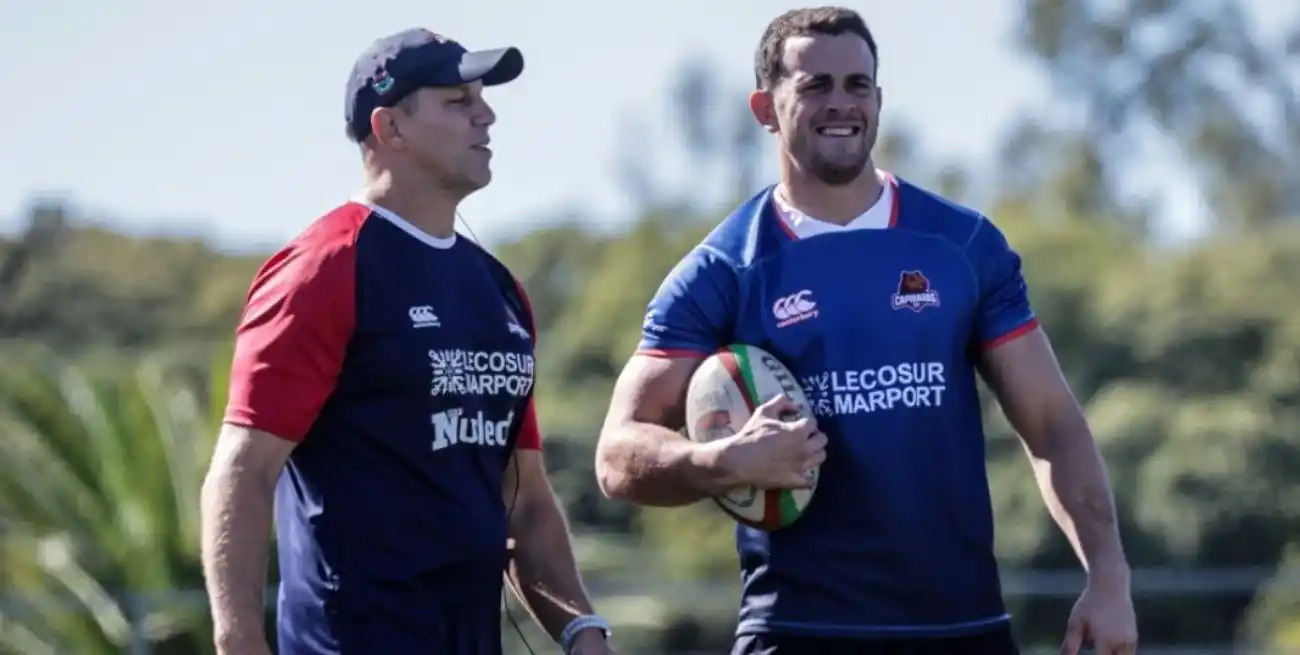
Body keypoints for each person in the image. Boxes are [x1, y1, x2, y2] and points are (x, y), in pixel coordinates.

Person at [594, 7, 1137, 655]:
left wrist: (1107, 573)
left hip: (961, 628)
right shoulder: (724, 271)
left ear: (879, 100)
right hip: (796, 631)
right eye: (815, 85)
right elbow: (617, 454)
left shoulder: (961, 245)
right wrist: (717, 463)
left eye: (857, 85)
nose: (841, 103)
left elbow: (1053, 424)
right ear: (765, 107)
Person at [199, 27, 612, 655]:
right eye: (457, 101)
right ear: (390, 128)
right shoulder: (323, 268)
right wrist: (238, 644)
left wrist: (583, 632)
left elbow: (523, 498)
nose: (487, 115)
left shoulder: (499, 290)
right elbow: (242, 471)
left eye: (482, 98)